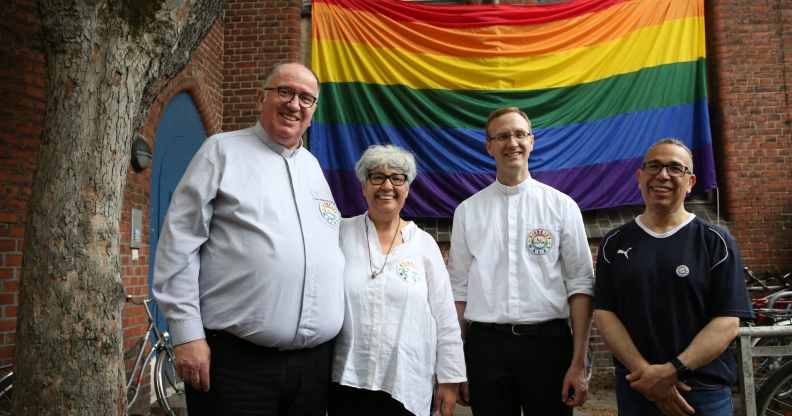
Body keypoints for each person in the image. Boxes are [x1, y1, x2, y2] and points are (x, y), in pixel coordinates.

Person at [152, 62, 345, 416]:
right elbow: (178, 244)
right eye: (284, 91)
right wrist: (187, 334)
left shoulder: (313, 168)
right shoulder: (220, 151)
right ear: (262, 97)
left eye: (306, 98)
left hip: (312, 369)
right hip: (237, 365)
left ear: (314, 110)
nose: (294, 104)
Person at [447, 107, 594, 416]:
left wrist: (579, 361)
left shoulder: (562, 207)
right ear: (489, 146)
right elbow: (458, 291)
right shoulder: (468, 211)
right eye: (501, 136)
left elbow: (580, 285)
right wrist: (455, 364)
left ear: (532, 141)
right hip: (486, 348)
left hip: (549, 345)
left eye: (519, 134)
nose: (511, 142)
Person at [592, 138, 753, 416]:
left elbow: (728, 321)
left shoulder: (716, 242)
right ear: (639, 177)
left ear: (690, 182)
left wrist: (672, 371)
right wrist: (647, 375)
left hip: (702, 393)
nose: (662, 175)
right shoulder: (614, 242)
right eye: (653, 166)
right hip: (637, 389)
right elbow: (605, 314)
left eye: (675, 168)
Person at [329, 144, 466, 416]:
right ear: (364, 186)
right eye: (377, 176)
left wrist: (450, 380)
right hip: (346, 378)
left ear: (408, 188)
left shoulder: (424, 244)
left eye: (398, 177)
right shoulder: (340, 233)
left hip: (406, 381)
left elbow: (445, 317)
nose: (387, 185)